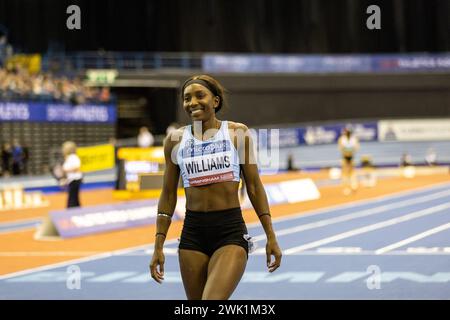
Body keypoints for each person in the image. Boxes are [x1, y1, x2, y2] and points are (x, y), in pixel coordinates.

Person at [149, 75, 282, 300]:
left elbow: (254, 187)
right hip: (192, 233)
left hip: (229, 231)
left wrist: (271, 236)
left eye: (200, 96)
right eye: (187, 98)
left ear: (216, 101)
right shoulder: (175, 140)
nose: (192, 102)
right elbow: (168, 194)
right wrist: (158, 245)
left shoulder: (237, 134)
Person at [337, 127, 360, 195]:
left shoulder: (354, 139)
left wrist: (351, 151)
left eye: (348, 132)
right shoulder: (342, 139)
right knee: (345, 173)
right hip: (344, 157)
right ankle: (346, 188)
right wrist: (345, 151)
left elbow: (356, 147)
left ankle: (354, 186)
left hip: (351, 157)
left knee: (352, 172)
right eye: (346, 132)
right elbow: (340, 147)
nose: (347, 133)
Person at [61, 141, 83, 208]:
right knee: (74, 197)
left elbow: (77, 167)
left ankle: (71, 210)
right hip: (72, 180)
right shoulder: (69, 157)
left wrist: (66, 170)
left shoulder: (73, 157)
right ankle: (77, 208)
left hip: (75, 180)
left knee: (72, 197)